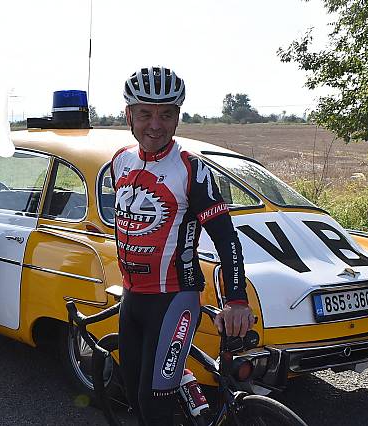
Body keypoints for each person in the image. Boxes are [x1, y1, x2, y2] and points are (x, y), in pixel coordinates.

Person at [111, 66, 254, 425]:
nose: (155, 125)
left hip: (175, 297)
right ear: (129, 114)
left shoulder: (191, 169)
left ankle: (179, 383)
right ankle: (185, 383)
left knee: (154, 403)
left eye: (166, 114)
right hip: (133, 298)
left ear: (178, 117)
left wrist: (236, 300)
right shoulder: (119, 162)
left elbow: (226, 239)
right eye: (145, 113)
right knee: (131, 393)